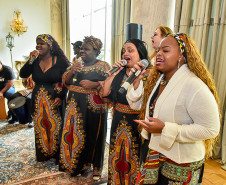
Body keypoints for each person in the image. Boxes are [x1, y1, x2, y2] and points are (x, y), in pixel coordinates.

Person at [126, 33, 220, 184]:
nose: (159, 54)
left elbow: (211, 129)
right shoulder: (161, 80)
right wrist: (137, 82)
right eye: (158, 51)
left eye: (166, 50)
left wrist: (165, 129)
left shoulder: (193, 85)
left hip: (181, 162)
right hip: (156, 153)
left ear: (181, 56)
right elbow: (143, 107)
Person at [59, 36, 110, 180]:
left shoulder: (103, 65)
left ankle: (96, 168)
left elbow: (111, 81)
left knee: (95, 136)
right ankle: (79, 164)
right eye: (82, 48)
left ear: (96, 51)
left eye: (86, 49)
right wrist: (71, 71)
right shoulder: (76, 64)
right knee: (76, 135)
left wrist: (94, 85)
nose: (82, 51)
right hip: (75, 106)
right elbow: (65, 81)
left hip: (95, 108)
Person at [100, 38, 148, 184]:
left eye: (130, 50)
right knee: (117, 155)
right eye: (123, 51)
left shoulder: (149, 74)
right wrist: (113, 74)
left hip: (138, 122)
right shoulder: (120, 73)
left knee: (135, 156)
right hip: (118, 120)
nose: (125, 53)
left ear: (140, 54)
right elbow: (104, 93)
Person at [19, 34, 70, 162]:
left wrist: (61, 96)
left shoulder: (60, 60)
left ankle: (57, 154)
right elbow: (23, 74)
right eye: (37, 43)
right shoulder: (34, 60)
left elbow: (66, 80)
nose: (38, 45)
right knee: (40, 125)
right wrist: (31, 60)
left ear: (50, 46)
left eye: (42, 43)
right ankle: (43, 153)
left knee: (56, 125)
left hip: (55, 97)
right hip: (38, 97)